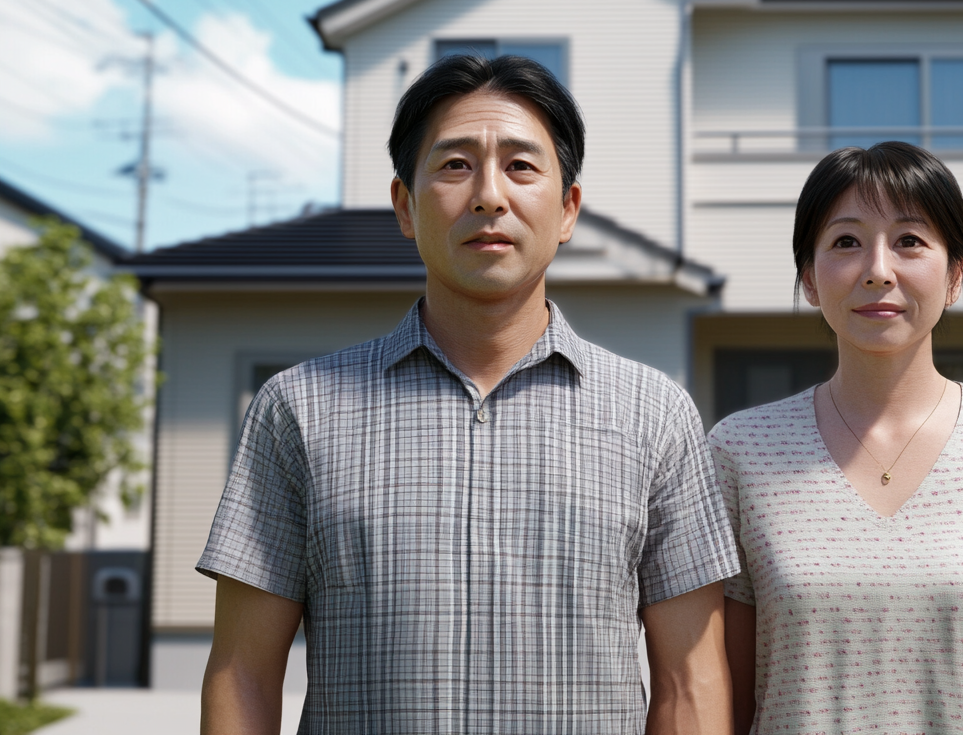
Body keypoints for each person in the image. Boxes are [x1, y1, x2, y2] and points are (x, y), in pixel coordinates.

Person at [198, 54, 740, 734]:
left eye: (521, 166)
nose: (489, 195)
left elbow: (692, 682)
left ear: (568, 209)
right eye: (455, 165)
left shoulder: (654, 415)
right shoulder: (299, 410)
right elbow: (242, 674)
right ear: (404, 205)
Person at [711, 142, 963, 735]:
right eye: (846, 241)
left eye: (910, 241)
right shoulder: (743, 451)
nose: (878, 268)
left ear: (953, 276)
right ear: (809, 279)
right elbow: (727, 698)